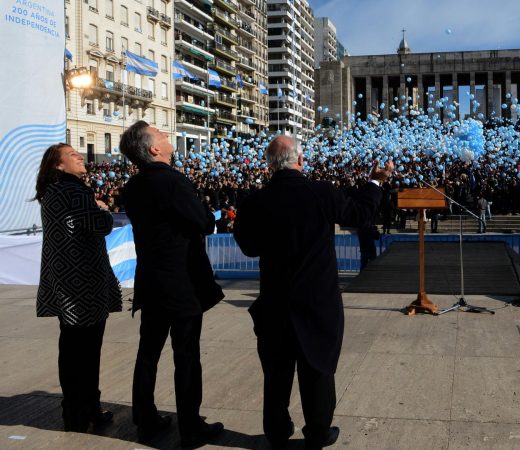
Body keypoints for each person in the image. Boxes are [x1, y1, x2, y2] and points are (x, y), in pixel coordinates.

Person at [233, 136, 393, 450]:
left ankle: (277, 431)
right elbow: (359, 215)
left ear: (269, 165)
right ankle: (318, 432)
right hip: (316, 302)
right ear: (300, 160)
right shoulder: (321, 192)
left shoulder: (255, 200)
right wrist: (375, 181)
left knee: (276, 372)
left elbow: (249, 247)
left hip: (275, 302)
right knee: (317, 369)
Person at [119, 121, 225, 447]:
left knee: (148, 353)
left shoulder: (132, 187)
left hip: (151, 281)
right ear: (154, 149)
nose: (168, 137)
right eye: (162, 135)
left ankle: (145, 419)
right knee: (187, 356)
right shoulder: (173, 181)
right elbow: (204, 222)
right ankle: (190, 427)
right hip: (181, 284)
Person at [35, 143, 122, 432]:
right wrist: (103, 209)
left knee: (72, 350)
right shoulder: (74, 190)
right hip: (83, 285)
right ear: (58, 165)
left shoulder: (52, 191)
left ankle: (76, 412)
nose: (80, 157)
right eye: (72, 155)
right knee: (86, 352)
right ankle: (85, 411)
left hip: (66, 281)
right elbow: (99, 225)